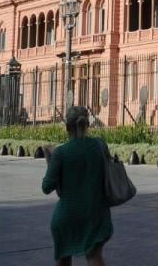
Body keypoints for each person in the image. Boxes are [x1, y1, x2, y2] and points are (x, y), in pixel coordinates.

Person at [42, 106, 113, 266]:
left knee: (63, 258)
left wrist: (50, 160)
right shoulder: (100, 146)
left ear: (67, 127)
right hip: (96, 214)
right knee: (94, 257)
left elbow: (47, 187)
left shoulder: (61, 153)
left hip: (68, 216)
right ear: (87, 124)